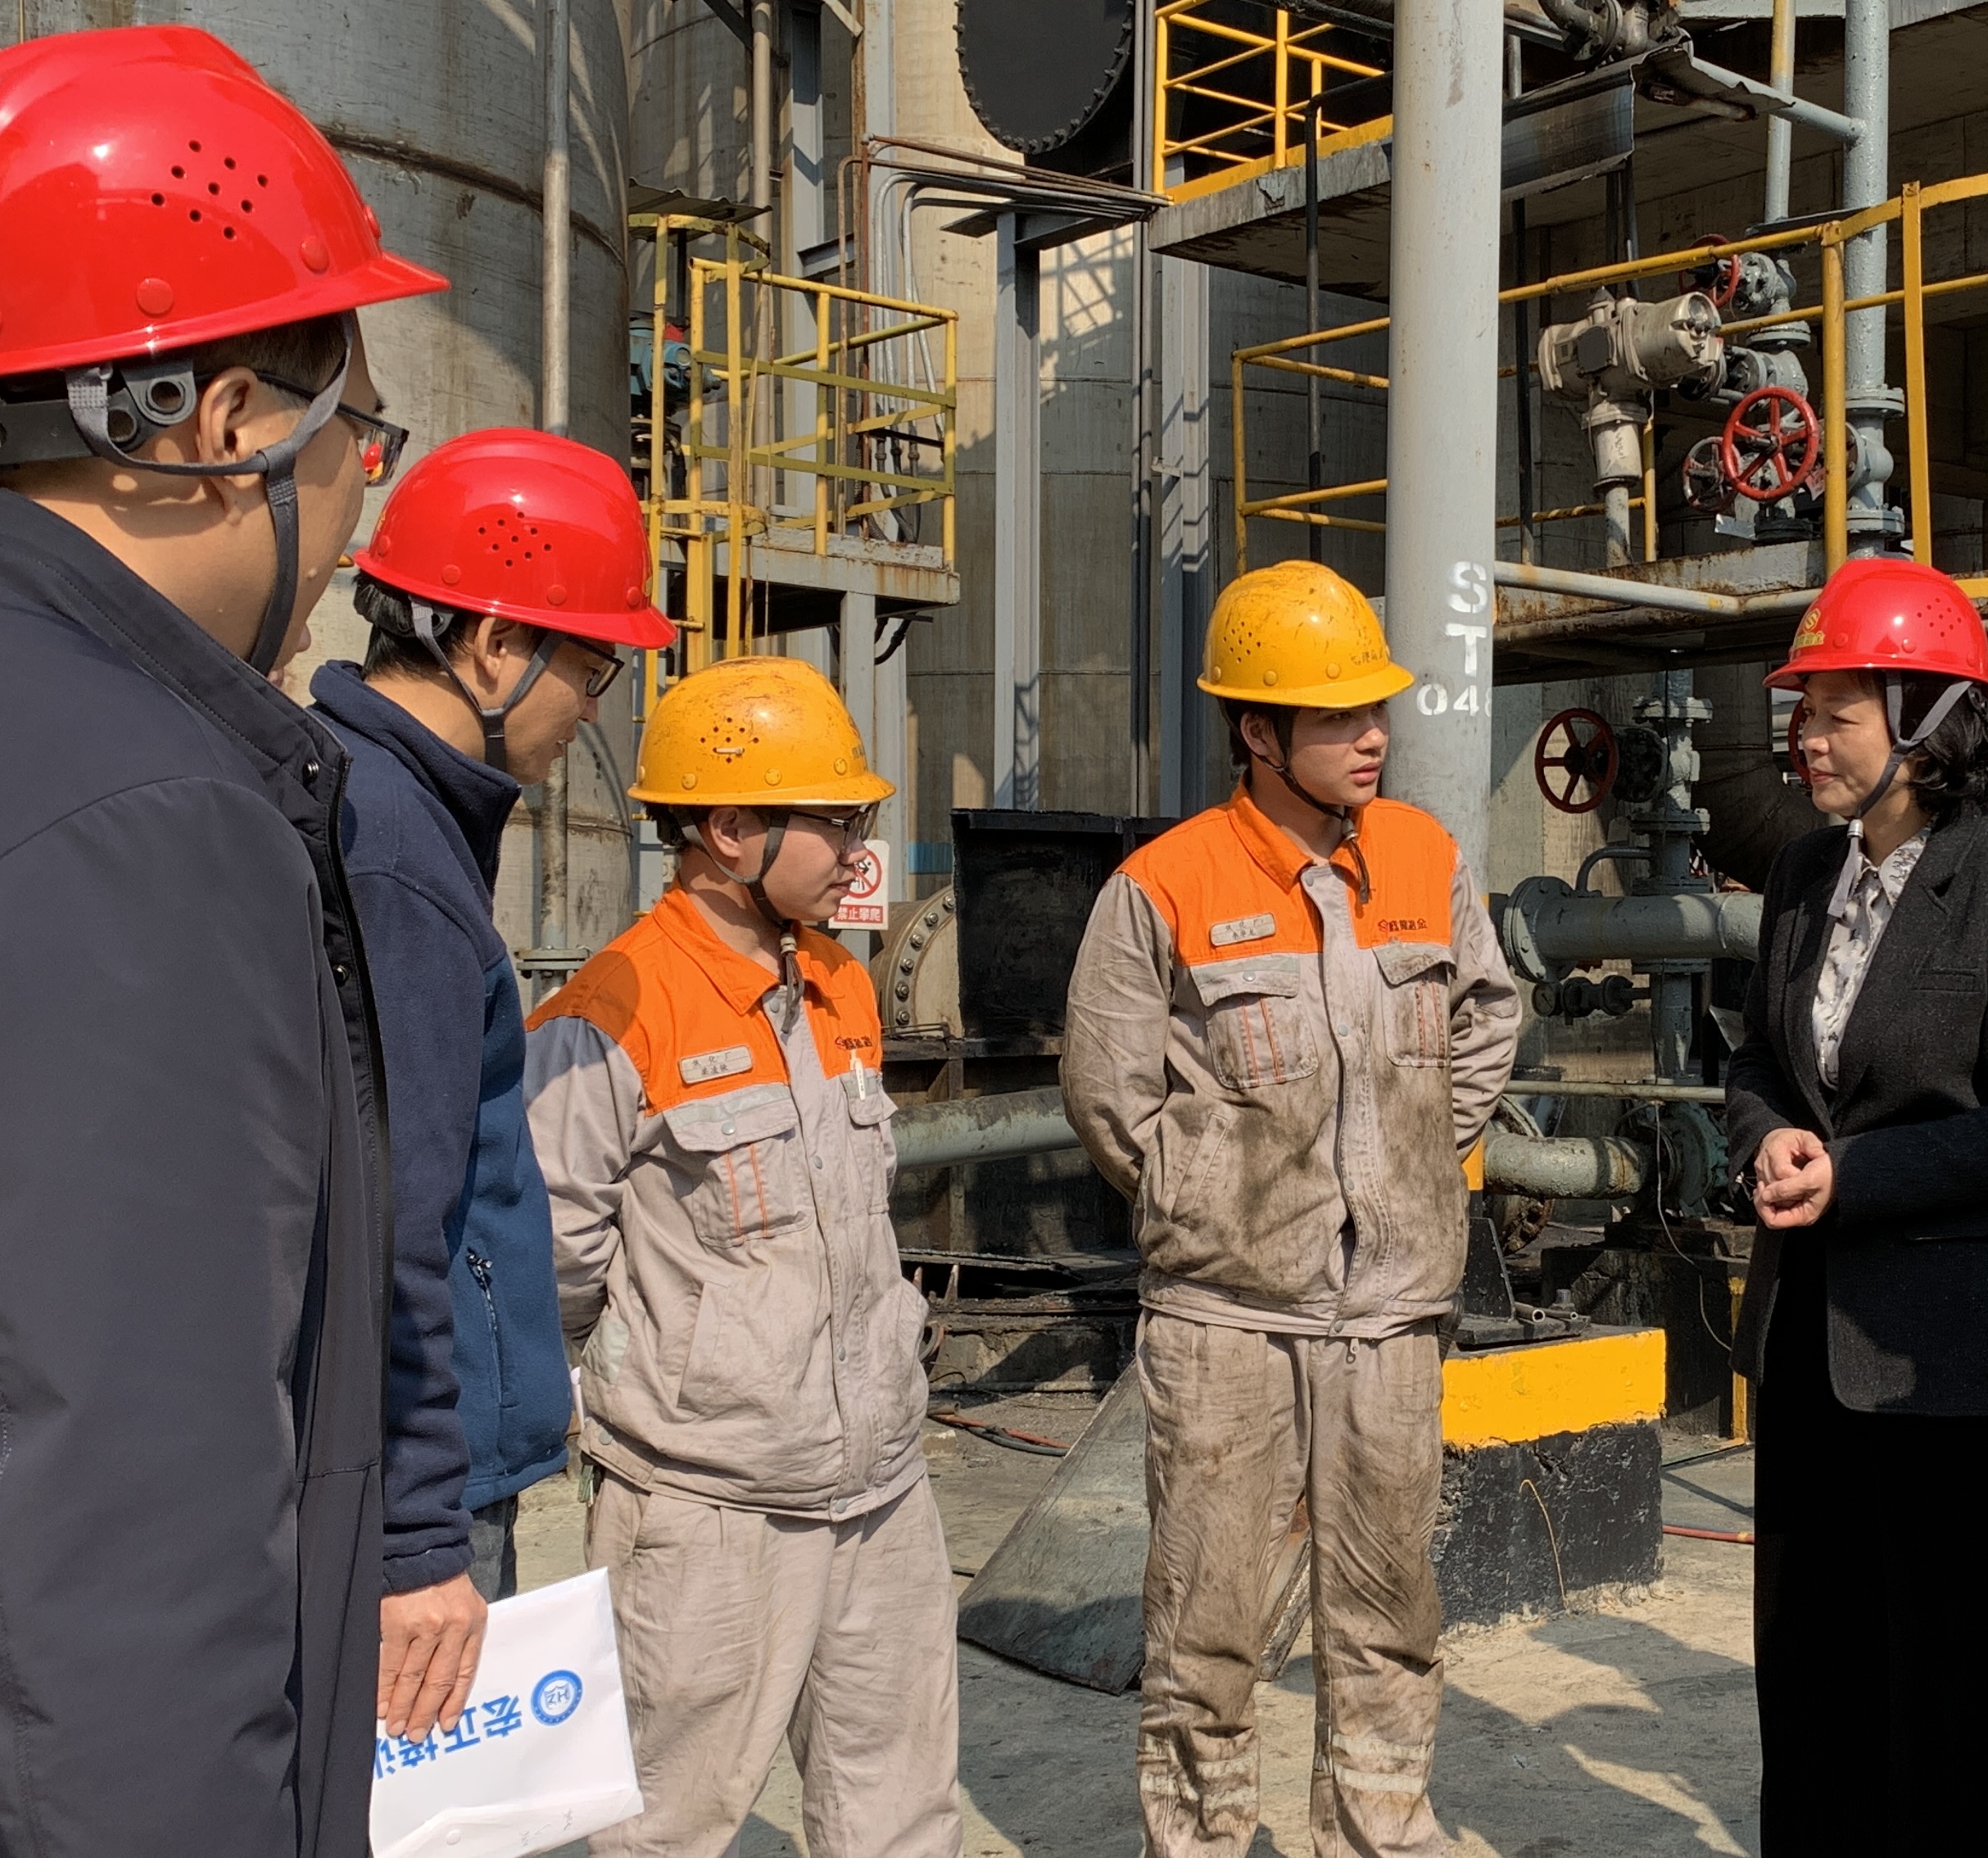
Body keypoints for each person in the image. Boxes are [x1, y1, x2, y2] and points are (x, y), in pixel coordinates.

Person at [0, 26, 444, 1856]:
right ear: (222, 426)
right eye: (358, 440)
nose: (354, 510)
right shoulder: (142, 818)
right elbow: (124, 1561)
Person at [1061, 560, 1519, 1858]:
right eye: (1336, 717)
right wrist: (1210, 1199)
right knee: (1207, 1622)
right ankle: (1200, 1841)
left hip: (1391, 1317)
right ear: (1257, 733)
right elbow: (1110, 1095)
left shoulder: (1424, 855)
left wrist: (1417, 1160)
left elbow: (1486, 1016)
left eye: (1375, 709)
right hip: (1228, 1324)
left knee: (1390, 1614)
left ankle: (1381, 1833)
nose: (1373, 736)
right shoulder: (1164, 885)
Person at [524, 658, 962, 1857]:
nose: (855, 846)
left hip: (882, 1489)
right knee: (664, 1827)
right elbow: (552, 1260)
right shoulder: (609, 1013)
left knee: (903, 1817)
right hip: (706, 1509)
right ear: (729, 830)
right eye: (833, 820)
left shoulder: (840, 982)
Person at [1719, 555, 1988, 1854]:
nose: (1804, 738)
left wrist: (1854, 1177)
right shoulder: (1799, 875)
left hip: (1950, 1360)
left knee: (1953, 1694)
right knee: (1812, 1680)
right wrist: (1767, 1137)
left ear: (1928, 722)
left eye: (1834, 712)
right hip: (1807, 1346)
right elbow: (1759, 1062)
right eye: (1802, 710)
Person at [322, 430, 680, 1739]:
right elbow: (393, 1221)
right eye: (592, 665)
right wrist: (419, 1535)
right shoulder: (398, 855)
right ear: (491, 643)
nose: (594, 706)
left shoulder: (385, 808)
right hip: (428, 1489)